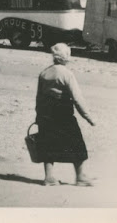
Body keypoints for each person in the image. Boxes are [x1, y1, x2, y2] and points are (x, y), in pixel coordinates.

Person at [35, 43, 96, 186]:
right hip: (63, 113)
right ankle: (80, 176)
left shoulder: (44, 73)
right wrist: (88, 117)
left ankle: (48, 177)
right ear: (66, 57)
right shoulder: (67, 74)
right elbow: (77, 98)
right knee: (76, 142)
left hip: (45, 112)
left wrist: (38, 115)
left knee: (47, 142)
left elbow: (39, 97)